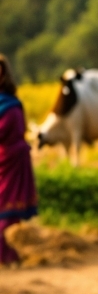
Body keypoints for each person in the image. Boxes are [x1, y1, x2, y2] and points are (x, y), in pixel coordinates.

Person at [0, 54, 38, 265]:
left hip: (11, 161)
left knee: (6, 207)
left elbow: (5, 132)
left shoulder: (11, 106)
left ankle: (7, 255)